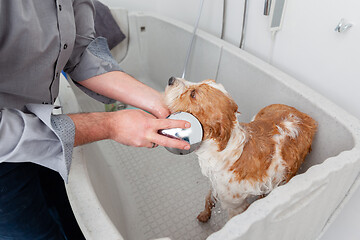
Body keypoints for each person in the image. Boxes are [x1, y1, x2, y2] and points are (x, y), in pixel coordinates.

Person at [0, 1, 190, 239]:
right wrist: (111, 125)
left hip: (39, 117)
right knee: (37, 233)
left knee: (71, 213)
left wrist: (155, 100)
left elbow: (80, 51)